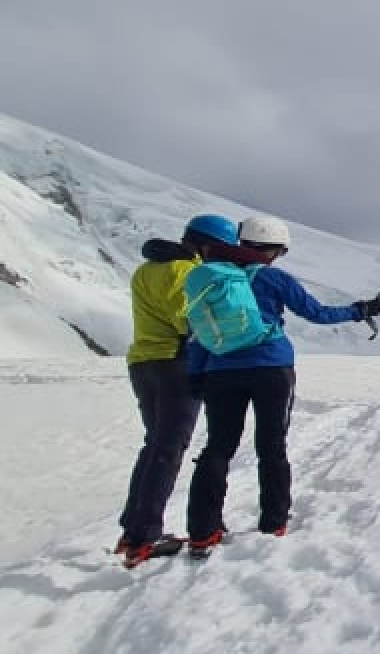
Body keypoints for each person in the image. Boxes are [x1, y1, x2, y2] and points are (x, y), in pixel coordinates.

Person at [184, 215, 380, 555]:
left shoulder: (213, 279)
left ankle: (202, 532)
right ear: (273, 250)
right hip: (272, 367)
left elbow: (200, 332)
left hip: (221, 370)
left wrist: (196, 375)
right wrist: (360, 310)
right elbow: (317, 313)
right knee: (271, 447)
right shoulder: (273, 278)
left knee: (217, 448)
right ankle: (273, 523)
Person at [118, 214, 239, 568]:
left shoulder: (146, 270)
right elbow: (187, 321)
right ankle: (145, 537)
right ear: (208, 246)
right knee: (168, 448)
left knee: (156, 444)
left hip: (143, 362)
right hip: (174, 363)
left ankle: (133, 529)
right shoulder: (185, 271)